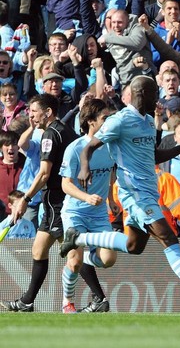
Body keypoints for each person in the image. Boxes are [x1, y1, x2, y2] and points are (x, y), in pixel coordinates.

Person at [59, 76, 180, 313]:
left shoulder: (148, 121)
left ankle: (79, 239)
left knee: (133, 246)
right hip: (135, 194)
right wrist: (85, 167)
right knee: (168, 238)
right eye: (154, 94)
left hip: (149, 193)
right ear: (141, 94)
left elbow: (153, 156)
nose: (158, 98)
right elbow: (88, 146)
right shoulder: (119, 121)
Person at [1, 94, 78, 312]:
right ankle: (27, 301)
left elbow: (44, 174)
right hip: (61, 199)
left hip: (57, 200)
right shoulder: (66, 131)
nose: (31, 115)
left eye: (34, 111)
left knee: (73, 251)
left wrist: (24, 199)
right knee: (39, 249)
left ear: (48, 112)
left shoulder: (50, 135)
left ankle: (98, 297)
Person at [59, 98, 117, 313]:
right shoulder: (74, 148)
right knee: (74, 262)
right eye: (105, 118)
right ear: (91, 121)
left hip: (99, 213)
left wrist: (110, 200)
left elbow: (110, 173)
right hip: (75, 212)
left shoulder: (111, 146)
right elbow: (65, 184)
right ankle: (67, 302)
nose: (109, 121)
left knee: (108, 259)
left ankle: (79, 246)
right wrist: (86, 197)